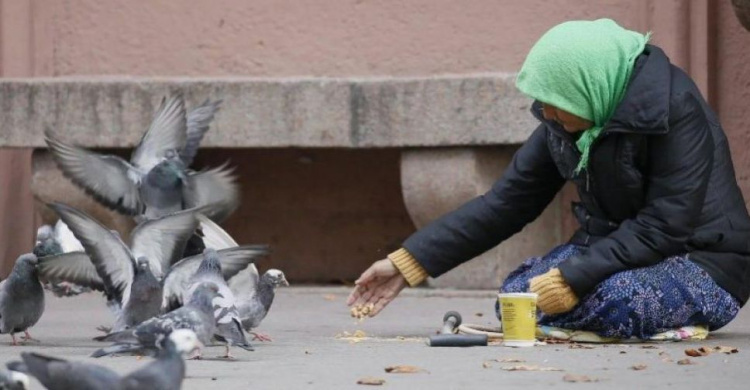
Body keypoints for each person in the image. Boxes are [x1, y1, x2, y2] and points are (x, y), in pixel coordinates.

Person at [347, 19, 750, 339]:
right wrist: (408, 263)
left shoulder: (676, 110)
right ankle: (603, 318)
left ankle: (634, 317)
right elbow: (506, 203)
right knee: (517, 297)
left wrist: (573, 278)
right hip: (615, 254)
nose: (546, 113)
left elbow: (665, 225)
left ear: (587, 89)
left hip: (704, 262)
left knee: (619, 299)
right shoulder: (567, 122)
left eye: (557, 103)